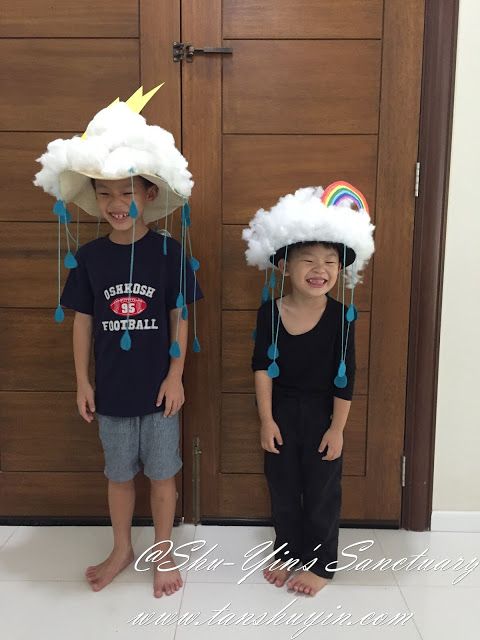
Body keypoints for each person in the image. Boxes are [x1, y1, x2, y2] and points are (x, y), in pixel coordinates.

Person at [34, 86, 203, 598]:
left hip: (158, 392)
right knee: (118, 475)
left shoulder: (170, 254)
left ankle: (164, 551)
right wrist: (82, 381)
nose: (115, 204)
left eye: (127, 192)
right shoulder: (89, 260)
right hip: (109, 392)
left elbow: (179, 316)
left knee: (162, 474)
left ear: (149, 194)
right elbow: (82, 322)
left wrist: (176, 375)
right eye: (105, 193)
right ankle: (122, 547)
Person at [243, 182, 375, 596]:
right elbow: (262, 367)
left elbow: (346, 376)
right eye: (308, 260)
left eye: (330, 262)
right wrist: (266, 420)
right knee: (282, 487)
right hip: (281, 411)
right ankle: (287, 553)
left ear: (340, 270)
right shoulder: (270, 312)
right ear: (284, 266)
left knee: (321, 491)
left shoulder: (341, 318)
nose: (320, 270)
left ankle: (320, 565)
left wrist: (337, 429)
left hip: (323, 415)